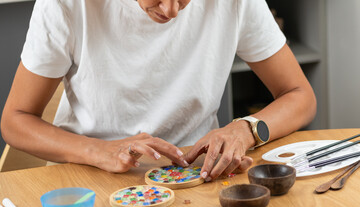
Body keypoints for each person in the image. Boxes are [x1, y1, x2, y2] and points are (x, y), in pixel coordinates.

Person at [1, 0, 316, 181]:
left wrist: (246, 129)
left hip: (196, 176)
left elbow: (299, 95)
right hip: (90, 176)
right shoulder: (67, 4)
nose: (171, 11)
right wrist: (95, 150)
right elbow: (16, 119)